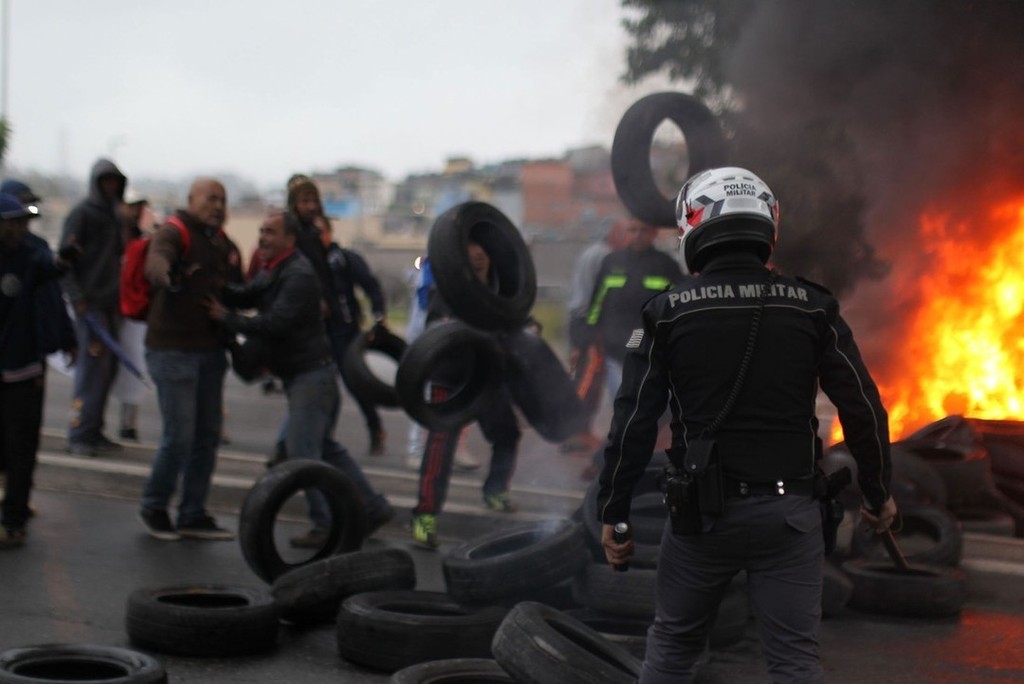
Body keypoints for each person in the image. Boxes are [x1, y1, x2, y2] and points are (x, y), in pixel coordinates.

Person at [597, 167, 896, 683]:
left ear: (693, 225)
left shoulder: (665, 313)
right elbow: (863, 408)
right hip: (790, 517)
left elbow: (633, 423)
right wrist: (876, 493)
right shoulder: (814, 307)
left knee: (671, 648)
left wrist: (614, 513)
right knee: (795, 661)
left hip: (702, 519)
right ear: (767, 223)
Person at [208, 210, 394, 548]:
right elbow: (251, 293)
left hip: (312, 378)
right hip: (305, 377)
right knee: (325, 448)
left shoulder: (297, 274)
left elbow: (275, 322)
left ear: (289, 240)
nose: (263, 238)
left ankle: (323, 524)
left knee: (302, 454)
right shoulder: (277, 269)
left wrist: (226, 318)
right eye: (261, 231)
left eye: (270, 232)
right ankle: (372, 507)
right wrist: (219, 288)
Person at [137, 178, 236, 541]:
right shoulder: (174, 232)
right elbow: (156, 261)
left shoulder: (221, 242)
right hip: (172, 351)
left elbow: (239, 286)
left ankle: (192, 513)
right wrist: (166, 275)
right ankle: (154, 505)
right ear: (191, 199)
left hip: (209, 352)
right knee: (179, 437)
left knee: (206, 438)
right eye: (211, 198)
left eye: (222, 199)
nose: (217, 204)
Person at [411, 239, 521, 549]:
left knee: (507, 435)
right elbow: (434, 326)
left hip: (488, 379)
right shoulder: (446, 290)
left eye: (483, 248)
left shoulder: (502, 292)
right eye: (471, 247)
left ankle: (495, 490)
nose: (478, 254)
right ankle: (424, 516)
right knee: (439, 449)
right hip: (452, 380)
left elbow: (517, 325)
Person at [0, 192, 77, 548]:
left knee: (21, 448)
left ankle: (13, 519)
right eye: (12, 222)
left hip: (23, 370)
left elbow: (51, 269)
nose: (19, 228)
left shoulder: (31, 255)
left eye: (22, 222)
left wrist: (66, 261)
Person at [580, 217, 683, 480]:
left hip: (652, 352)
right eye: (633, 230)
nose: (638, 235)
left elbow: (677, 307)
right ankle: (610, 463)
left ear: (653, 233)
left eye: (644, 230)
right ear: (626, 232)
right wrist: (590, 334)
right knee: (628, 408)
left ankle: (614, 461)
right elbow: (595, 303)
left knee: (648, 411)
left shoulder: (665, 266)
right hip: (617, 353)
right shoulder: (611, 262)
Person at [59, 158, 128, 457]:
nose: (111, 186)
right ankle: (79, 432)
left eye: (115, 181)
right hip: (91, 306)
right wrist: (78, 299)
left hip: (110, 304)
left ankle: (94, 429)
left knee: (106, 371)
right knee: (91, 371)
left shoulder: (115, 216)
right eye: (106, 181)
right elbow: (65, 263)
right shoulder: (82, 214)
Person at [319, 216, 390, 455]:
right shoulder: (304, 261)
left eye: (321, 232)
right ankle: (313, 439)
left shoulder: (344, 259)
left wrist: (379, 318)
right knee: (317, 387)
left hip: (344, 333)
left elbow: (371, 286)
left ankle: (375, 427)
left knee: (355, 384)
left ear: (329, 233)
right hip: (316, 335)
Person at [561, 218, 630, 454]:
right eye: (626, 233)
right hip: (588, 323)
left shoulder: (593, 252)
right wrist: (599, 327)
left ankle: (582, 431)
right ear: (614, 235)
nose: (629, 239)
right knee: (586, 379)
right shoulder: (603, 256)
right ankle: (574, 432)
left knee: (589, 377)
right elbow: (599, 296)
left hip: (583, 321)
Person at [110, 187, 151, 441]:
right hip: (109, 308)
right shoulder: (110, 237)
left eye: (139, 206)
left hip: (133, 312)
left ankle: (128, 422)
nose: (135, 211)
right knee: (99, 370)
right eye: (131, 205)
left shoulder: (142, 242)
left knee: (133, 366)